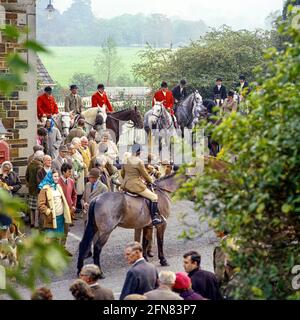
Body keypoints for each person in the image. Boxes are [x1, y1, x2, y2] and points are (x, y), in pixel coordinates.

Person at [120, 144, 163, 226]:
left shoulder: (126, 159)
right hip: (135, 185)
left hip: (125, 184)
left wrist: (126, 180)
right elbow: (145, 175)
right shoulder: (139, 161)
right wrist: (151, 181)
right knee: (154, 197)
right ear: (139, 152)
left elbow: (122, 173)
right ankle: (154, 218)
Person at [38, 170, 72, 244]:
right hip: (51, 218)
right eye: (55, 176)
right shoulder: (44, 189)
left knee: (59, 237)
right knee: (50, 239)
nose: (57, 178)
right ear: (50, 177)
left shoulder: (58, 186)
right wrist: (48, 211)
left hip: (60, 216)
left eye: (57, 176)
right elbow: (41, 204)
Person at [25, 150, 44, 228]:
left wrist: (29, 185)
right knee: (37, 207)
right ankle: (36, 224)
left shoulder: (30, 165)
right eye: (42, 156)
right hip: (37, 189)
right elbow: (39, 179)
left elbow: (26, 176)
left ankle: (32, 223)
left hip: (31, 189)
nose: (43, 157)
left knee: (31, 207)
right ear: (40, 157)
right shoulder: (39, 166)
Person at [58, 162, 77, 228]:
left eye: (71, 171)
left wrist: (74, 205)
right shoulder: (57, 182)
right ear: (63, 172)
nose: (70, 173)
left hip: (69, 209)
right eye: (69, 172)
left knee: (66, 230)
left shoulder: (71, 181)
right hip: (60, 209)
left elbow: (74, 195)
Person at [69, 138, 86, 212]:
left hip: (80, 173)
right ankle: (76, 206)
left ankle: (77, 205)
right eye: (78, 144)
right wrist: (83, 165)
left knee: (79, 190)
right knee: (77, 190)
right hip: (77, 174)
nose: (79, 145)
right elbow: (77, 164)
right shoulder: (73, 154)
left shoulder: (77, 151)